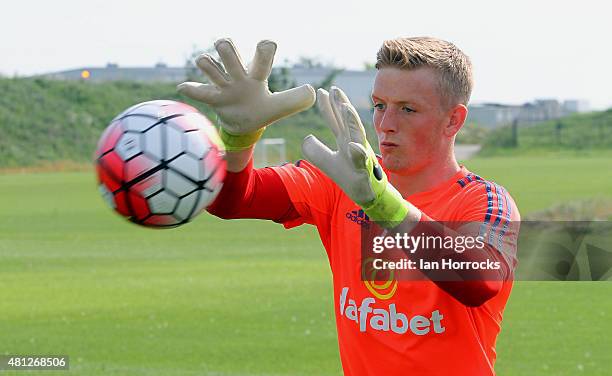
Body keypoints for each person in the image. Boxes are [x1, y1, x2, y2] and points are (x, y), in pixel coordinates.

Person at [178, 37, 520, 376]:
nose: (386, 123)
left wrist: (381, 204)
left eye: (407, 109)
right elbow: (233, 200)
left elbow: (480, 281)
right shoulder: (343, 178)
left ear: (453, 120)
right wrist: (238, 139)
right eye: (379, 105)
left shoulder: (482, 200)